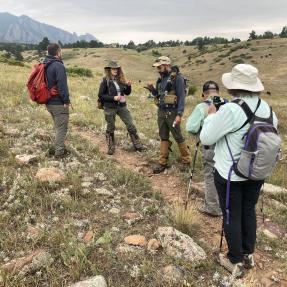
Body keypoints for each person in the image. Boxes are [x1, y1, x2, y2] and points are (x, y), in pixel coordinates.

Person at [200, 64, 278, 278]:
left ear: (233, 87)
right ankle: (248, 254)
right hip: (256, 173)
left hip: (230, 174)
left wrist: (211, 115)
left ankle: (234, 260)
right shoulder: (269, 110)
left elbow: (206, 138)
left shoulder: (231, 109)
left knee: (231, 214)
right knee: (248, 210)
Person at [146, 56, 190, 173]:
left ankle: (186, 161)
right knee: (163, 136)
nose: (158, 69)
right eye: (157, 67)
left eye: (160, 67)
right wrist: (151, 89)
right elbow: (159, 95)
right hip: (161, 111)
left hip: (173, 112)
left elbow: (181, 97)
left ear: (166, 65)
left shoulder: (177, 78)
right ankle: (162, 162)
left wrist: (179, 114)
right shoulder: (160, 79)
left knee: (178, 136)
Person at [186, 81, 222, 217]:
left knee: (210, 176)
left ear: (203, 94)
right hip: (230, 148)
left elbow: (191, 127)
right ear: (218, 92)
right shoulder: (228, 105)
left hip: (210, 147)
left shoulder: (202, 106)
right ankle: (226, 205)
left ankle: (212, 207)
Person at [98, 61, 144, 155]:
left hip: (122, 106)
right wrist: (113, 98)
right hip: (110, 107)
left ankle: (137, 144)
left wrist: (129, 86)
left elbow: (127, 93)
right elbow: (101, 95)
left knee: (130, 124)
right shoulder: (105, 80)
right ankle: (111, 146)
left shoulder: (120, 80)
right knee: (111, 127)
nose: (115, 70)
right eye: (113, 68)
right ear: (109, 70)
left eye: (116, 69)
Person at [44, 43, 70, 158]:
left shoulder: (45, 64)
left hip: (48, 101)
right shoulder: (58, 65)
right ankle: (59, 153)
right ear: (58, 52)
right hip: (58, 102)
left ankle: (58, 148)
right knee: (61, 128)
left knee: (58, 126)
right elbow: (62, 85)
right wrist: (66, 101)